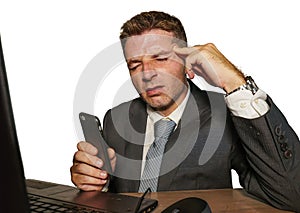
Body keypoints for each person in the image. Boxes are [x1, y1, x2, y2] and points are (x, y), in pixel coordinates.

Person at [70, 11, 300, 211]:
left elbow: (291, 194)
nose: (147, 73)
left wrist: (234, 82)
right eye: (135, 65)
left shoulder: (226, 116)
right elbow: (113, 196)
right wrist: (95, 182)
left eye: (160, 58)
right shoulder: (116, 118)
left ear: (186, 60)